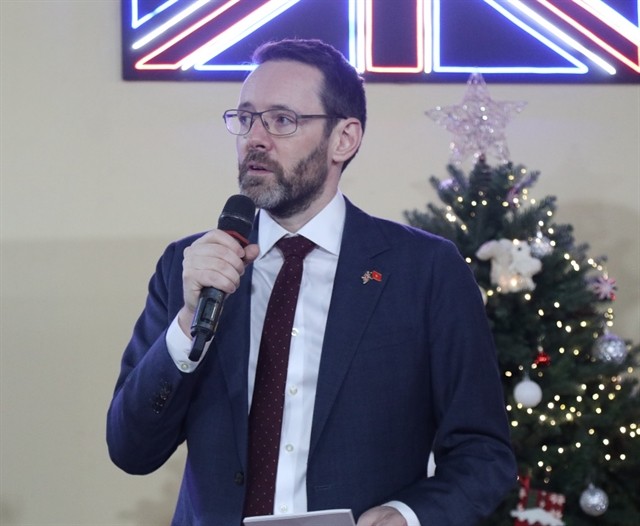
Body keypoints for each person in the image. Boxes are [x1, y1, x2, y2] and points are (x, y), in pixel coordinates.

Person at [107, 38, 516, 526]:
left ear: (343, 139)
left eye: (282, 120)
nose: (255, 138)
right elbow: (131, 449)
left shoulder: (424, 270)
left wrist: (409, 515)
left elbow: (482, 451)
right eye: (245, 118)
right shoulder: (192, 267)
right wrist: (187, 323)